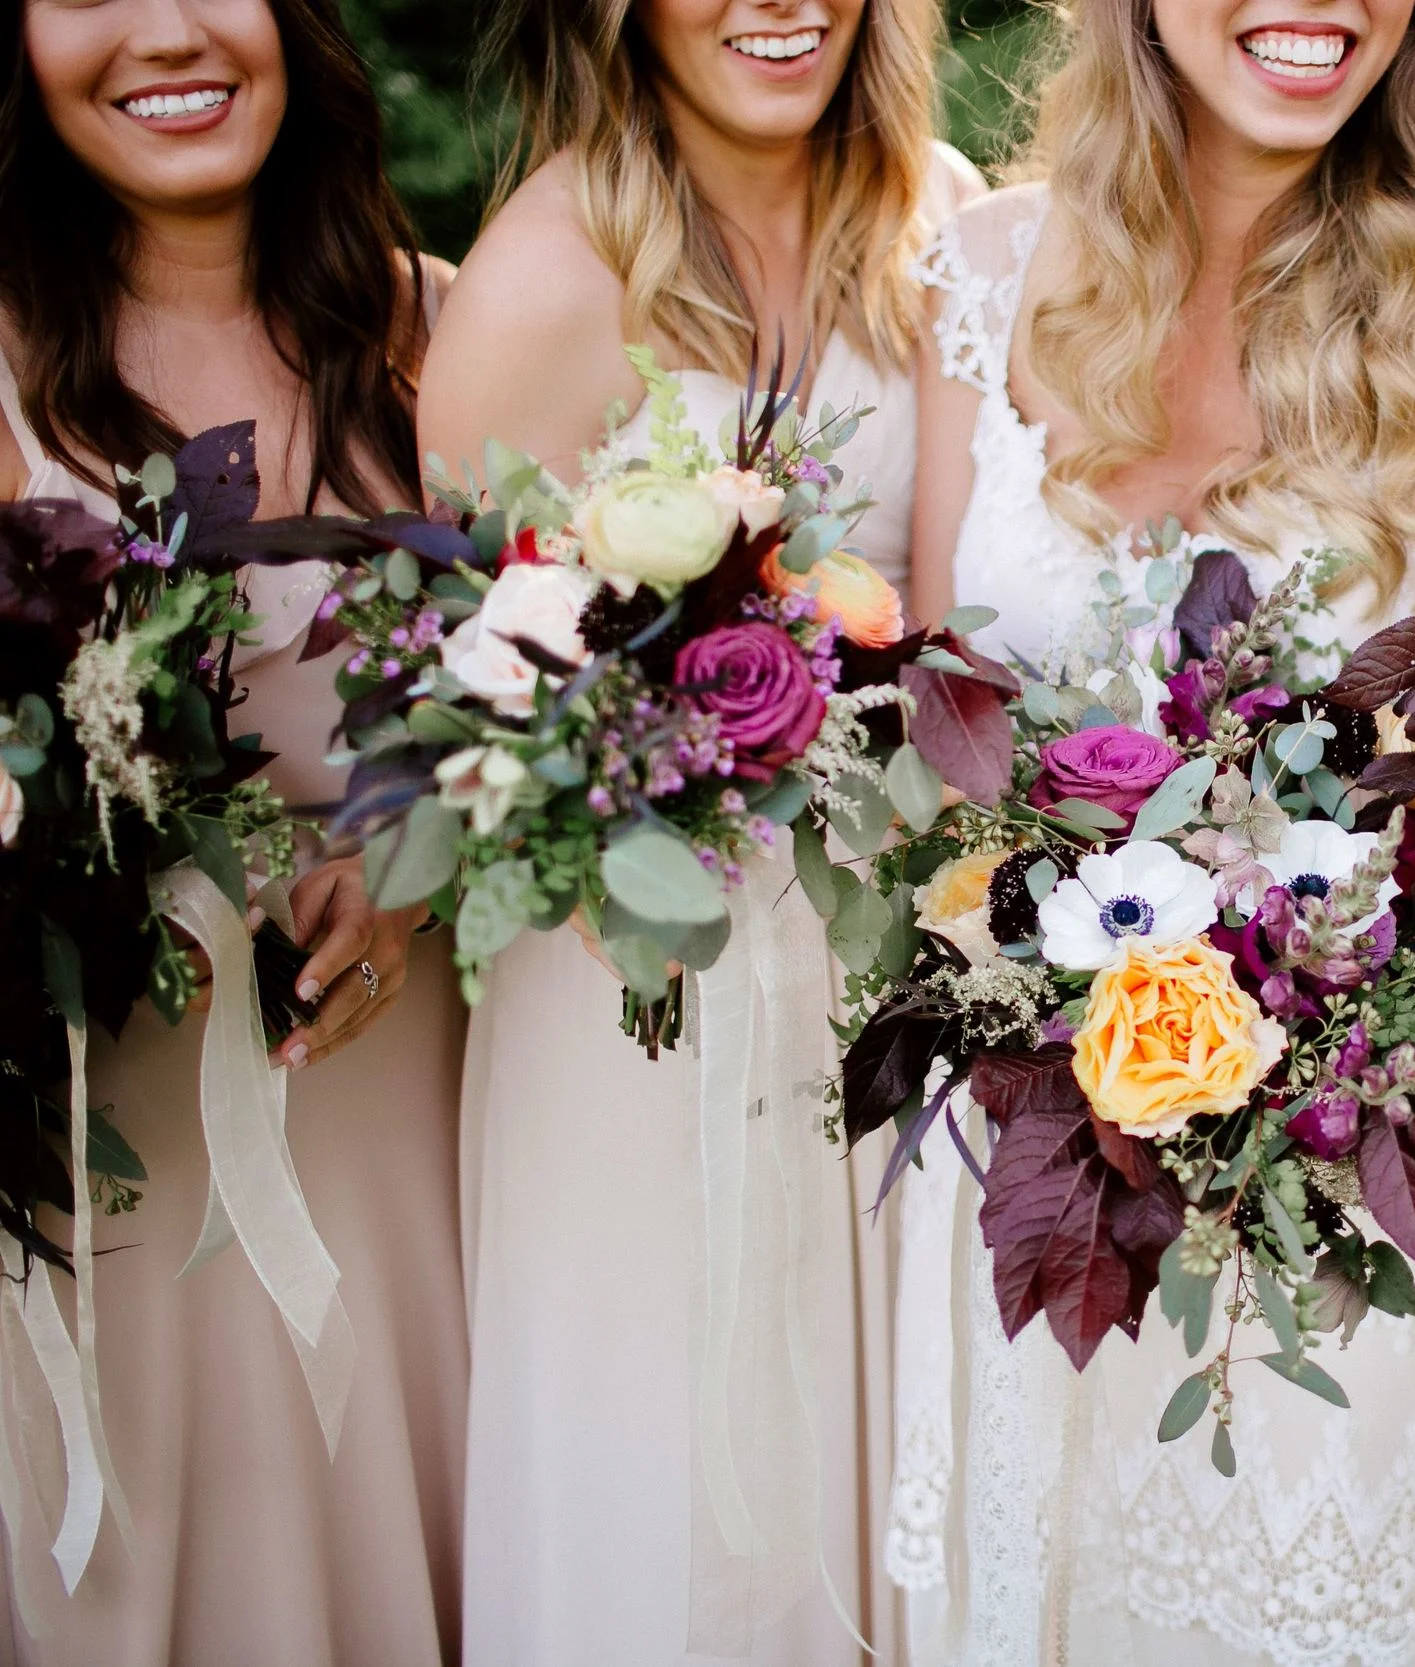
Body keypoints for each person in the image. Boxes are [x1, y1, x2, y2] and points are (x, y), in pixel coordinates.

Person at [895, 0, 1415, 1657]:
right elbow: (950, 747)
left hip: (1346, 1193)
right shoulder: (982, 277)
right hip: (1029, 1168)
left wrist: (1312, 1005)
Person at [416, 0, 977, 1660]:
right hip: (638, 994)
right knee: (667, 1483)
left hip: (894, 981)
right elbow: (466, 698)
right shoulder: (546, 277)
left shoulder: (939, 220)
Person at [0, 0, 465, 1660]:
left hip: (419, 1127)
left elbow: (565, 690)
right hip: (119, 1155)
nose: (167, 33)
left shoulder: (449, 331)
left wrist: (422, 864)